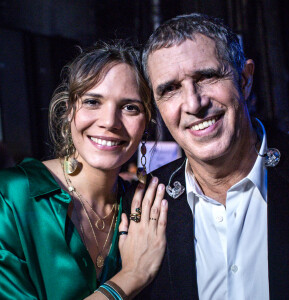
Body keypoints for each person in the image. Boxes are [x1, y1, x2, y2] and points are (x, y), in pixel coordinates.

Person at [123, 13, 289, 299]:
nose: (193, 103)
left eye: (206, 77)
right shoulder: (142, 208)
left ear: (244, 79)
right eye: (170, 89)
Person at [0, 41, 168, 299]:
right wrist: (132, 275)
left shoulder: (143, 208)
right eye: (92, 102)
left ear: (146, 122)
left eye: (130, 107)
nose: (110, 121)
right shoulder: (12, 197)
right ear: (68, 111)